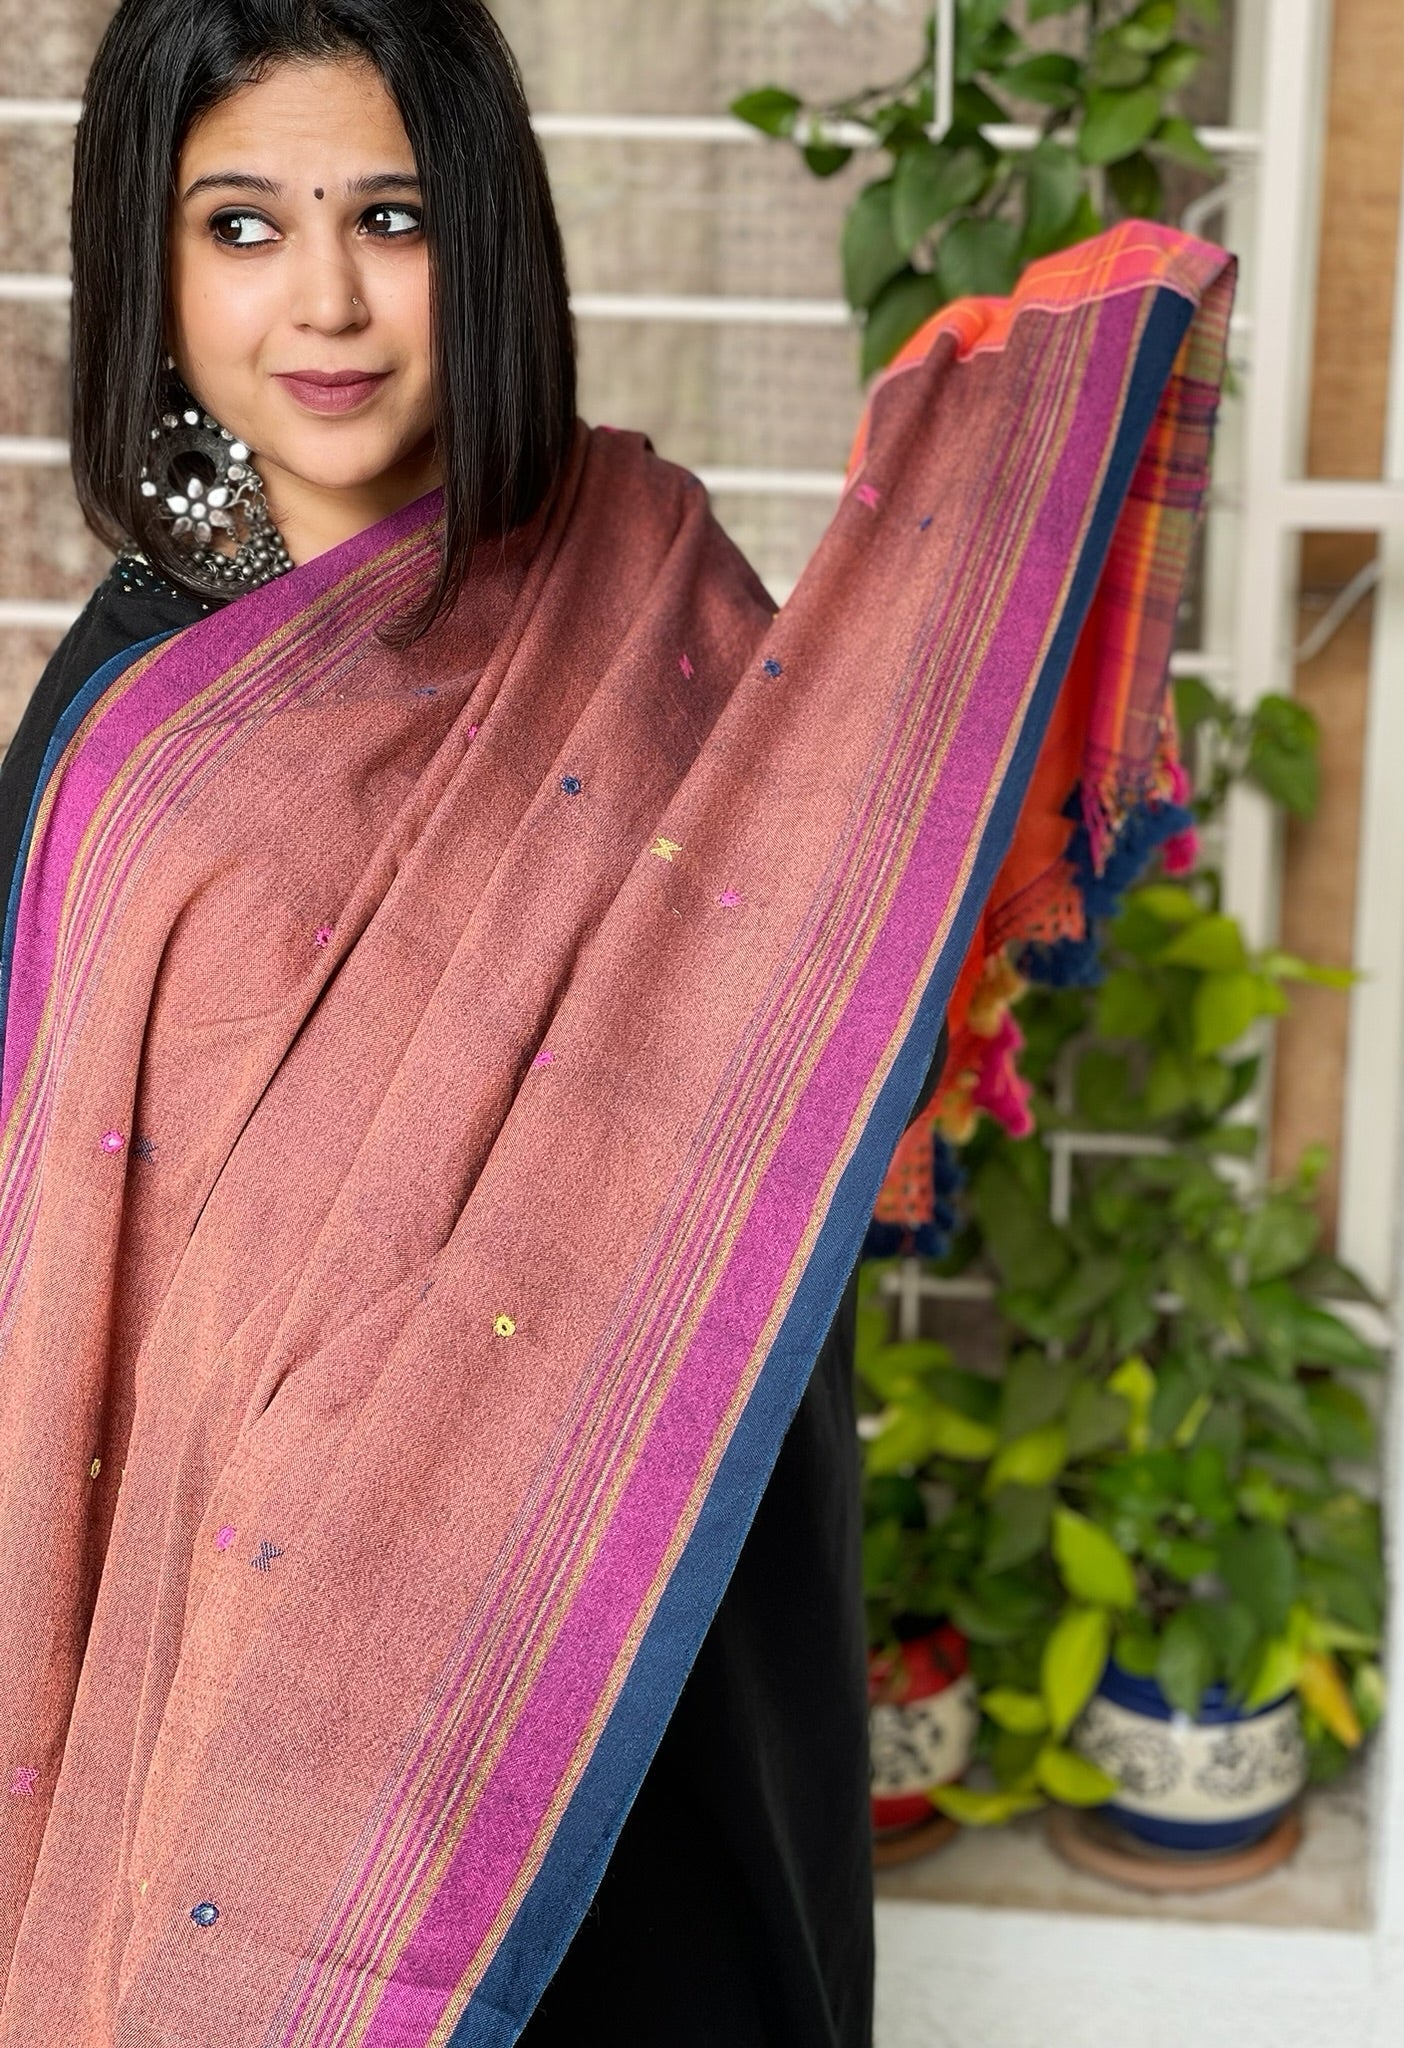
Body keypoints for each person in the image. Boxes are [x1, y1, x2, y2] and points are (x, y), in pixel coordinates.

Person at [0, 2, 1233, 2042]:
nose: (322, 299)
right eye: (242, 224)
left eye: (388, 215)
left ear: (486, 231)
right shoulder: (135, 736)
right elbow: (72, 1280)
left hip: (636, 1612)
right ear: (149, 261)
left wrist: (961, 542)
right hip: (258, 1665)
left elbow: (818, 974)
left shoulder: (645, 577)